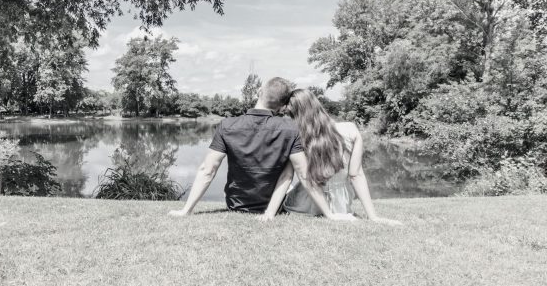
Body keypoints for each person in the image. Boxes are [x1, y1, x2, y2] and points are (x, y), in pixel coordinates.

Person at [260, 88, 402, 225]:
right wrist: (373, 217)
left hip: (302, 206)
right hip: (340, 206)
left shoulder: (296, 136)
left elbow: (287, 176)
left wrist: (270, 213)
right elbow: (356, 175)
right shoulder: (350, 129)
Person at [169, 77, 302, 215]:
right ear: (282, 106)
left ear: (259, 92)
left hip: (237, 205)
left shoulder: (227, 125)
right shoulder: (291, 129)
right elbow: (295, 174)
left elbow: (207, 170)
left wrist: (186, 210)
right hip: (275, 206)